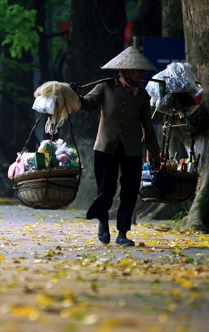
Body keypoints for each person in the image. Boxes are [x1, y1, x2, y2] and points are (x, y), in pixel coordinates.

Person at [71, 46, 161, 246]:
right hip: (105, 148)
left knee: (129, 192)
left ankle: (122, 233)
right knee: (106, 190)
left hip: (131, 149)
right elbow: (86, 105)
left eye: (143, 71)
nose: (142, 74)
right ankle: (103, 221)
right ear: (127, 71)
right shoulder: (105, 87)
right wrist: (74, 94)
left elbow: (148, 127)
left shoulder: (143, 96)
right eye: (139, 71)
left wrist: (155, 155)